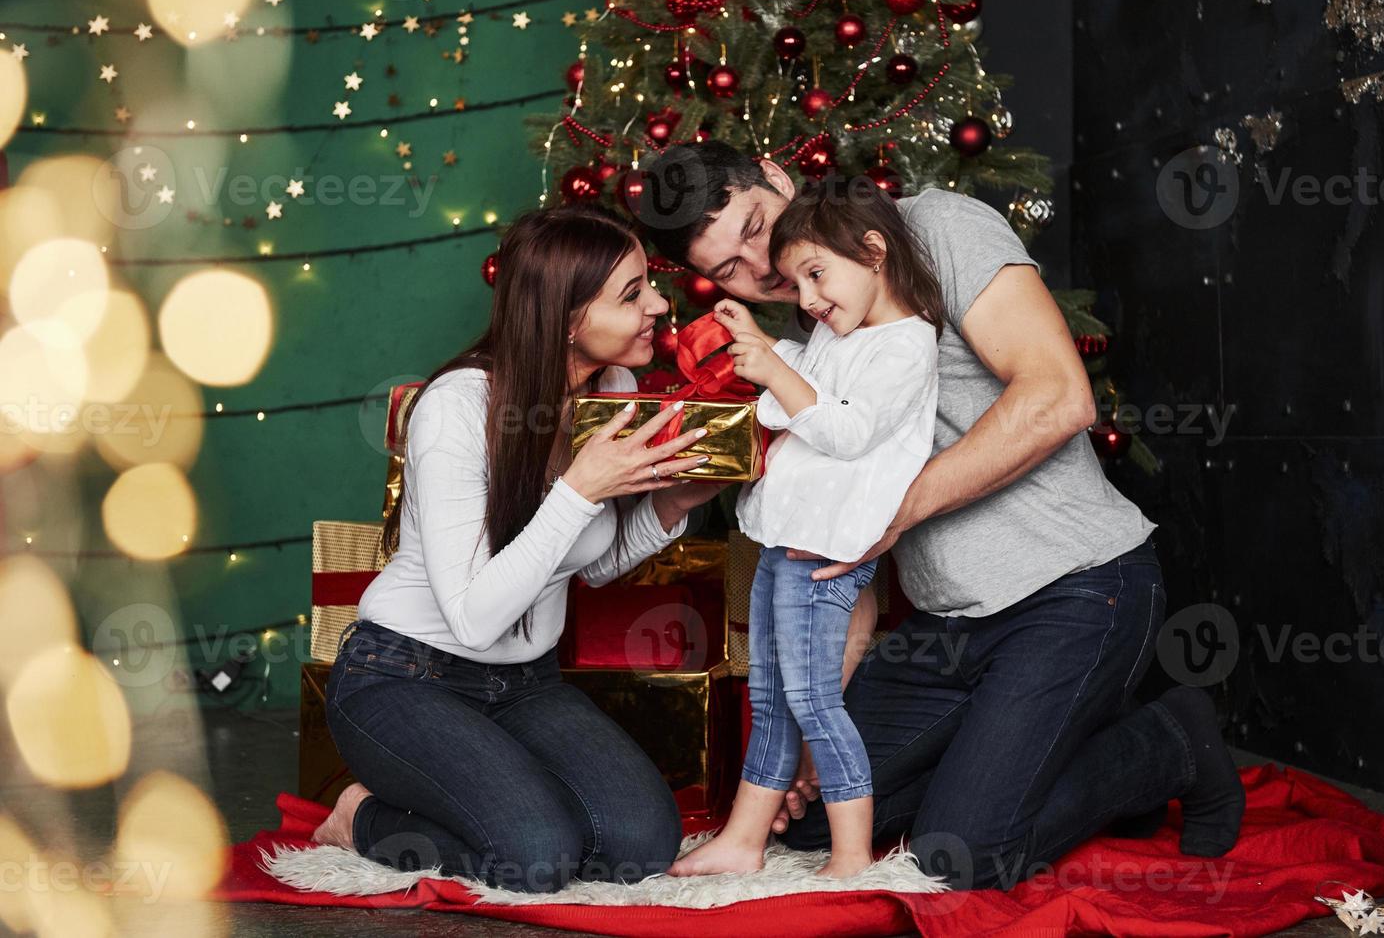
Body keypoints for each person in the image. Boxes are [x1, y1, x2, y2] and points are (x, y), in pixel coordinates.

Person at [635, 142, 1245, 889]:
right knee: (825, 814)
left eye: (756, 224)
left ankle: (1168, 741)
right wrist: (807, 725)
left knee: (962, 854)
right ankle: (1041, 756)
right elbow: (836, 557)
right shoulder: (802, 338)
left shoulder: (936, 228)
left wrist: (886, 512)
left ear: (774, 175)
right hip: (949, 625)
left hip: (1075, 586)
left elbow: (1058, 395)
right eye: (728, 269)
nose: (762, 267)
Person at [311, 205, 726, 893]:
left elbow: (586, 562)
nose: (658, 302)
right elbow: (475, 617)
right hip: (404, 678)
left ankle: (503, 795)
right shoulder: (459, 408)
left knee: (641, 845)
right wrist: (580, 490)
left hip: (525, 685)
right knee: (535, 859)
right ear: (567, 320)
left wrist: (668, 505)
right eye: (631, 293)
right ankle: (361, 818)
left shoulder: (610, 392)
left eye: (648, 282)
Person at [670, 179, 941, 879]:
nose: (809, 297)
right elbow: (783, 406)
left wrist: (777, 375)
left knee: (814, 700)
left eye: (816, 274)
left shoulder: (905, 345)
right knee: (770, 696)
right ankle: (742, 838)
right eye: (796, 281)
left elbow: (845, 430)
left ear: (873, 250)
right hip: (780, 542)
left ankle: (850, 855)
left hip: (825, 552)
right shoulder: (831, 332)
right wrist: (759, 349)